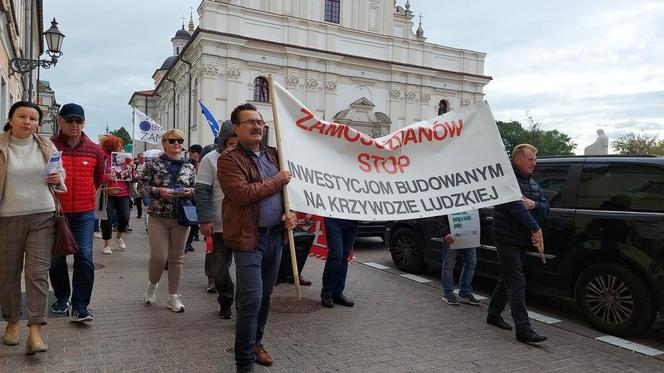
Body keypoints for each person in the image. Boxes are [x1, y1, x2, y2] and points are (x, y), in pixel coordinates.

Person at [218, 103, 297, 373]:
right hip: (248, 239)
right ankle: (243, 363)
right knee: (251, 298)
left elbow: (289, 194)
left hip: (276, 237)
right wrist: (278, 180)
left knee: (265, 298)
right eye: (250, 122)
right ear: (236, 128)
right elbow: (242, 194)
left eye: (260, 122)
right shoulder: (228, 158)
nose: (256, 126)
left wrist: (292, 214)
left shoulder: (276, 156)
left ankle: (256, 343)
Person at [0, 101, 65, 354]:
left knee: (37, 273)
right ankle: (13, 321)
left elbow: (61, 174)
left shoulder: (47, 145)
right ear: (11, 118)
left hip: (43, 215)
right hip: (7, 217)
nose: (28, 122)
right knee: (7, 273)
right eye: (22, 116)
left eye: (33, 118)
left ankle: (35, 330)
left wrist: (58, 178)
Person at [486, 143, 549, 343]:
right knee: (517, 281)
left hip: (520, 240)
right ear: (518, 160)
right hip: (506, 238)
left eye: (535, 160)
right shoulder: (507, 181)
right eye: (530, 160)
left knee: (508, 279)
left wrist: (535, 204)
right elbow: (515, 207)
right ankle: (523, 329)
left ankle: (493, 314)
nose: (534, 163)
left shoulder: (533, 184)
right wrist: (535, 228)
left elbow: (546, 207)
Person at [50, 103, 105, 323]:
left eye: (79, 121)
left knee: (84, 257)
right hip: (55, 212)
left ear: (83, 123)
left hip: (84, 213)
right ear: (60, 121)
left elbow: (98, 179)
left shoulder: (94, 150)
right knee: (56, 259)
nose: (74, 125)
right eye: (70, 120)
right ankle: (62, 297)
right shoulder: (49, 146)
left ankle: (80, 306)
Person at [138, 129, 196, 312]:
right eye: (171, 140)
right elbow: (141, 186)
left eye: (179, 140)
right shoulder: (153, 164)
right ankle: (152, 284)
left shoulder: (189, 166)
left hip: (181, 217)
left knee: (176, 259)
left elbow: (196, 188)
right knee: (159, 257)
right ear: (164, 143)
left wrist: (191, 192)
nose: (176, 143)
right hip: (158, 216)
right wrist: (158, 191)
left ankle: (173, 297)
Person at [195, 120, 237, 318]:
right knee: (220, 269)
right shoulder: (210, 159)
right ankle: (226, 299)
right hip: (219, 224)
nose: (235, 142)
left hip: (245, 225)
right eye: (232, 139)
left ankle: (244, 306)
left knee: (248, 270)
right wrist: (204, 220)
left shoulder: (249, 157)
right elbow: (202, 192)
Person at [99, 135, 133, 255]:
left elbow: (132, 175)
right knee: (107, 218)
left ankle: (118, 237)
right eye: (119, 145)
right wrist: (106, 176)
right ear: (112, 146)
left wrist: (131, 169)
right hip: (108, 191)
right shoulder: (103, 157)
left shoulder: (125, 158)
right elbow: (96, 175)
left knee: (125, 217)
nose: (122, 147)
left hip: (123, 192)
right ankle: (106, 244)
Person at [439, 215, 480, 306]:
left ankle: (464, 292)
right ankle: (448, 293)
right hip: (451, 233)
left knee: (471, 262)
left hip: (468, 234)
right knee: (449, 264)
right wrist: (445, 233)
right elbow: (442, 213)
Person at [320, 218, 358, 308]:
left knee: (344, 257)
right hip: (334, 219)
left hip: (352, 221)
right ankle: (326, 293)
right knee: (336, 255)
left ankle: (337, 292)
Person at [185, 144, 203, 252]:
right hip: (190, 195)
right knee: (190, 219)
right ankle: (186, 242)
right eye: (190, 152)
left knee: (196, 221)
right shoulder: (187, 163)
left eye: (193, 152)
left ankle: (190, 240)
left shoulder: (204, 162)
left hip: (200, 195)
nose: (191, 154)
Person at [134, 152, 146, 218]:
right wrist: (136, 176)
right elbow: (133, 174)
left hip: (144, 184)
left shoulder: (146, 165)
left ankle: (147, 214)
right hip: (137, 183)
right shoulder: (135, 165)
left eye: (144, 158)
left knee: (146, 200)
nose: (143, 159)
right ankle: (139, 214)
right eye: (141, 158)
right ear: (138, 158)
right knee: (138, 200)